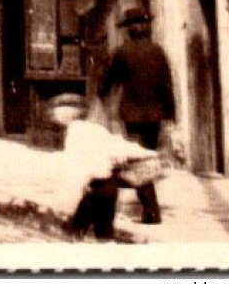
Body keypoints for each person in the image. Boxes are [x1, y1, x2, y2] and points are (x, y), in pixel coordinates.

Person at [99, 6, 176, 224]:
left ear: (131, 30)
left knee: (136, 163)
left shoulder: (123, 52)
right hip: (154, 116)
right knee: (145, 160)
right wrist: (170, 117)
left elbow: (109, 81)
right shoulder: (158, 51)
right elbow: (167, 87)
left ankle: (151, 211)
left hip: (132, 116)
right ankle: (148, 210)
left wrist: (101, 95)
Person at [50, 92, 155, 240]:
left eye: (56, 113)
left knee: (76, 231)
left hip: (91, 190)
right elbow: (119, 147)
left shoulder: (73, 135)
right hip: (108, 189)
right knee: (104, 233)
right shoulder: (97, 129)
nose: (54, 116)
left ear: (64, 117)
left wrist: (72, 197)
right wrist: (149, 153)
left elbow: (80, 169)